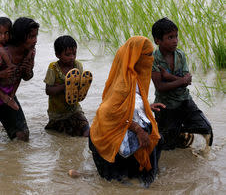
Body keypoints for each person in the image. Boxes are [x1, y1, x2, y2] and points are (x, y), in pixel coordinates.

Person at [89, 36, 165, 187]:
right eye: (148, 55)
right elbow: (108, 112)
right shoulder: (124, 83)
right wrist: (138, 130)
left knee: (156, 137)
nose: (151, 59)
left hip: (122, 126)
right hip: (109, 135)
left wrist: (146, 107)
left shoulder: (135, 77)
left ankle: (144, 176)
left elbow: (129, 103)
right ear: (137, 57)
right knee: (149, 139)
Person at [151, 17, 213, 150]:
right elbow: (160, 87)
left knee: (207, 129)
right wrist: (181, 80)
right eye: (170, 37)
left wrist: (168, 76)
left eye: (176, 36)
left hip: (185, 100)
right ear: (158, 40)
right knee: (167, 146)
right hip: (166, 106)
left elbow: (187, 81)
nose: (175, 41)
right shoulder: (154, 59)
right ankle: (176, 132)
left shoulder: (180, 55)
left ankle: (183, 134)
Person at [44, 35, 91, 137]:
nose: (72, 57)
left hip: (74, 110)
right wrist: (65, 86)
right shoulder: (53, 68)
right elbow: (48, 90)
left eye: (74, 53)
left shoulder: (77, 66)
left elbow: (80, 87)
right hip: (57, 113)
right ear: (58, 55)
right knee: (63, 136)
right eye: (68, 55)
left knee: (86, 131)